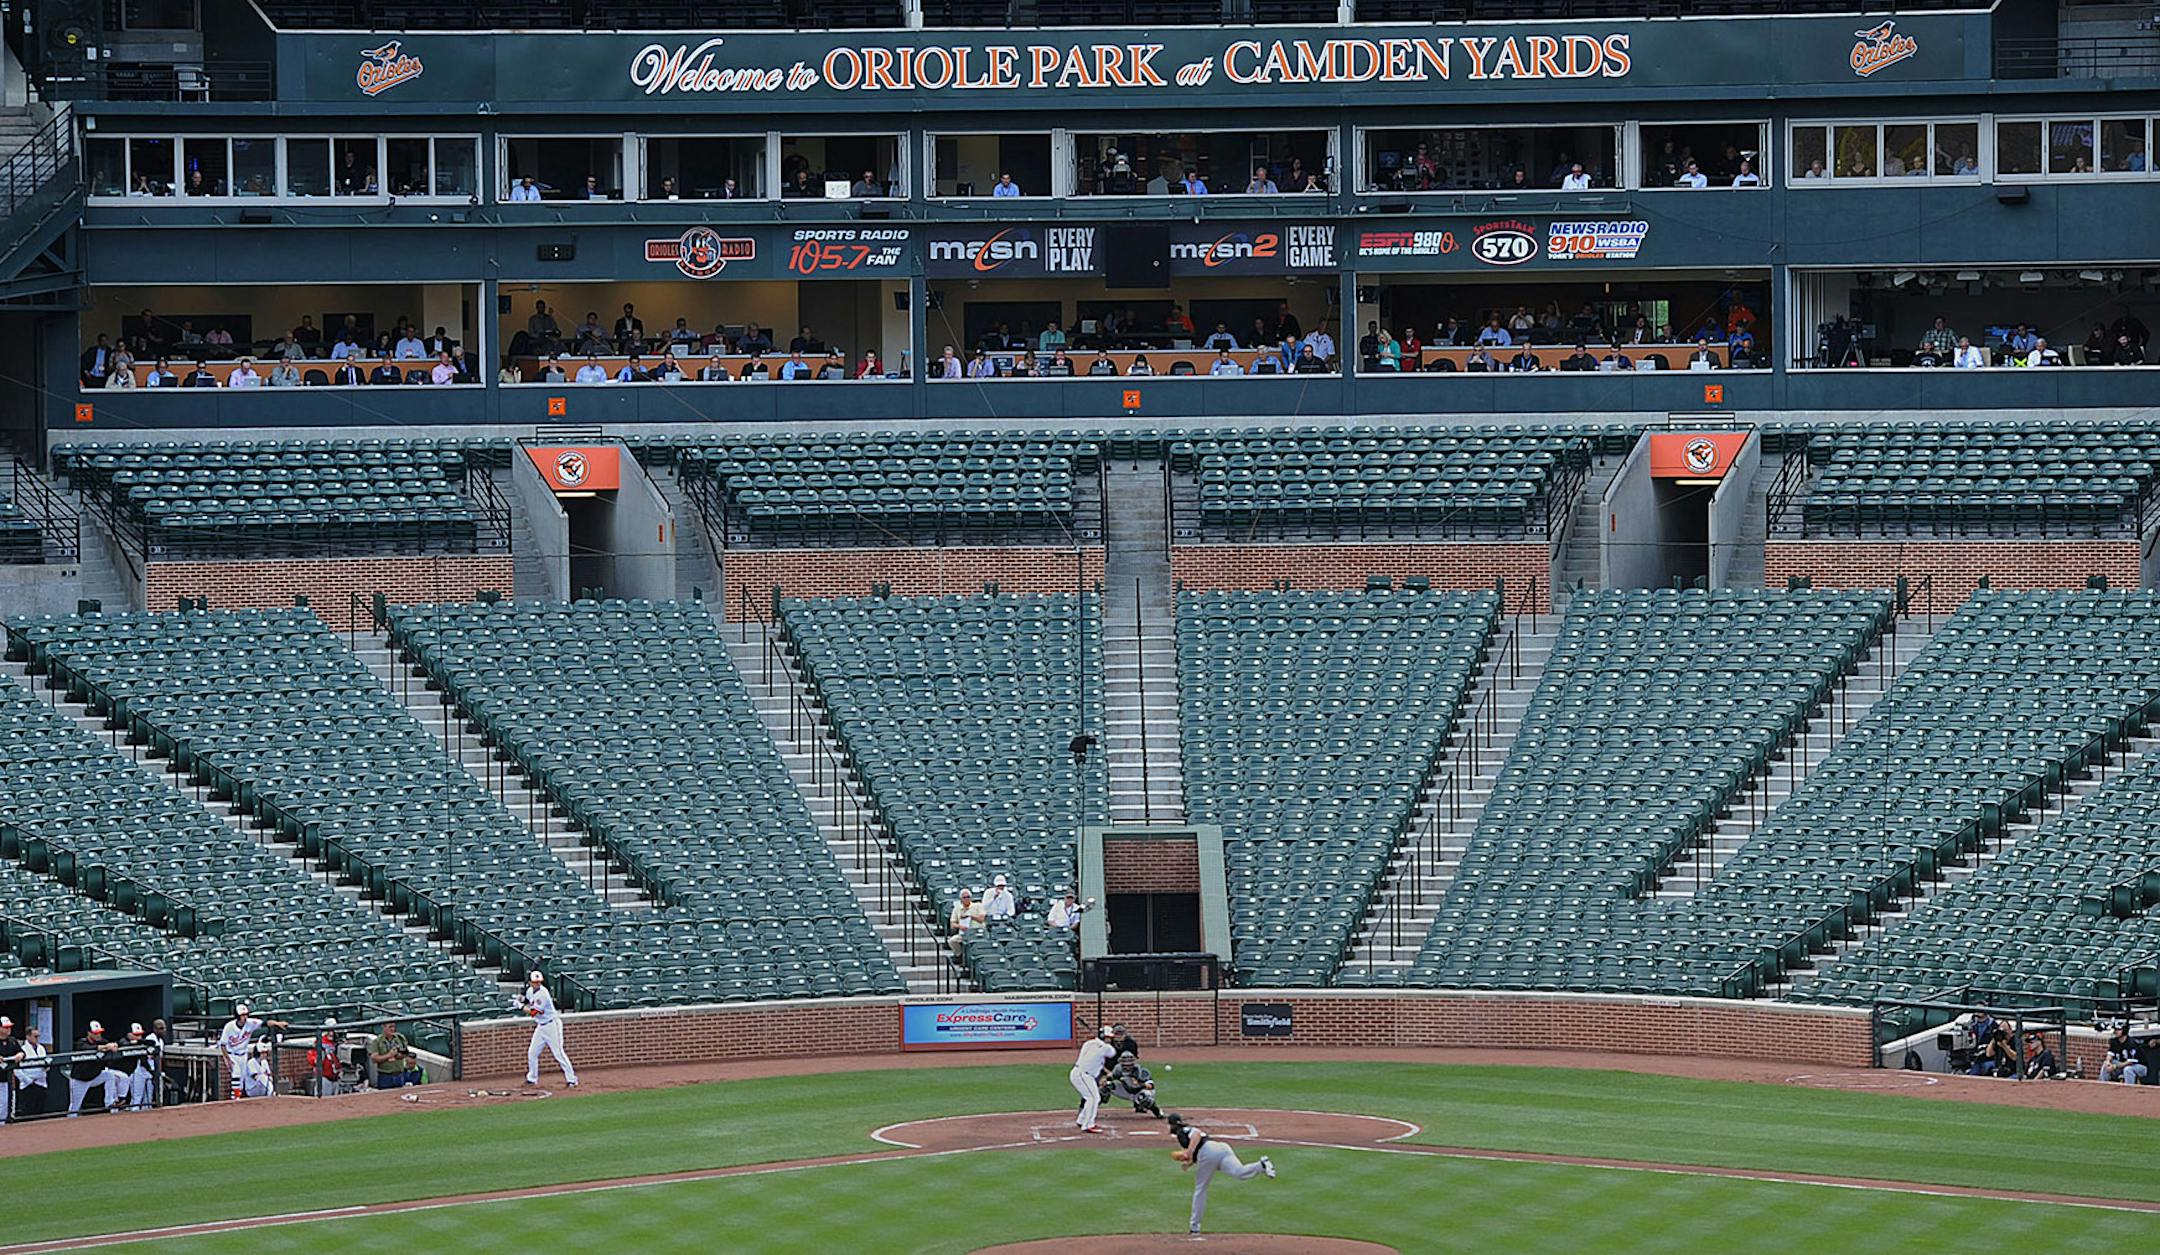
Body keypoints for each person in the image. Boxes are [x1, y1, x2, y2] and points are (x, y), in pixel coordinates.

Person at [1169, 1112, 1275, 1234]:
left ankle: (1194, 1226)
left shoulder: (1182, 1132)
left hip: (1208, 1152)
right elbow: (1197, 1149)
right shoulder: (1186, 1131)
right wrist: (1189, 1162)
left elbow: (1196, 1136)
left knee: (1200, 1188)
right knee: (1239, 1172)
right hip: (1221, 1148)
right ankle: (1261, 1165)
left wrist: (1188, 1152)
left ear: (1172, 1125)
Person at [518, 971, 578, 1089]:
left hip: (552, 1025)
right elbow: (528, 1000)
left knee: (558, 1054)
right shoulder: (530, 991)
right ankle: (532, 1079)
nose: (537, 984)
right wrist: (521, 998)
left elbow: (534, 1012)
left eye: (538, 982)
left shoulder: (543, 994)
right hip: (541, 1026)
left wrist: (519, 1006)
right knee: (532, 1053)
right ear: (530, 982)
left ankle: (572, 1079)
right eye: (535, 982)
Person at [219, 1004, 288, 1100]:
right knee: (236, 1074)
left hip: (243, 1054)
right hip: (232, 1054)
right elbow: (222, 1045)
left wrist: (277, 1023)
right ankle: (235, 1098)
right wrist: (227, 1059)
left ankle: (236, 1096)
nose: (245, 1017)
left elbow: (265, 1023)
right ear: (237, 1016)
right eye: (242, 1015)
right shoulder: (229, 1027)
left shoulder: (250, 1023)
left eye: (246, 1015)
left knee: (241, 1079)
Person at [68, 1021, 128, 1116]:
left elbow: (114, 1045)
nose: (98, 1035)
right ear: (89, 1033)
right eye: (95, 1033)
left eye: (99, 1032)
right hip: (80, 1079)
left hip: (95, 1076)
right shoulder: (81, 1042)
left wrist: (114, 1045)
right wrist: (104, 1047)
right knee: (74, 1108)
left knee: (109, 1075)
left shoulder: (103, 1041)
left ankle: (110, 1103)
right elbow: (85, 1047)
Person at [1070, 1026, 1117, 1133]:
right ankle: (1088, 1124)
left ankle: (1082, 1120)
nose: (1110, 1040)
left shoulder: (1089, 1043)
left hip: (1083, 1074)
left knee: (1091, 1097)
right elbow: (1112, 1053)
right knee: (1093, 1098)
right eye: (1108, 1038)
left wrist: (1101, 1043)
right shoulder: (1105, 1048)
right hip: (1083, 1075)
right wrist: (1103, 1045)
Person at [368, 1020, 423, 1088]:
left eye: (393, 1026)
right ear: (384, 1027)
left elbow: (406, 1053)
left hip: (399, 1074)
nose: (392, 1029)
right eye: (390, 1027)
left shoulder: (400, 1038)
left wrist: (398, 1056)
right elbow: (374, 1059)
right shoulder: (377, 1041)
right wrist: (389, 1055)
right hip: (385, 1075)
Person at [127, 1022, 164, 1111]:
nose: (138, 1036)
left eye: (140, 1035)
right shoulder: (149, 1038)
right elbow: (143, 1060)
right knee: (137, 1098)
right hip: (140, 1071)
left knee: (148, 1100)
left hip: (151, 1071)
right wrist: (152, 1071)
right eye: (136, 1035)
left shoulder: (159, 1041)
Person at [16, 1024, 50, 1118]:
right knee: (27, 1113)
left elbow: (46, 1063)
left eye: (38, 1036)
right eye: (35, 1036)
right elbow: (17, 1070)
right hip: (28, 1086)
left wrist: (46, 1067)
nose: (37, 1038)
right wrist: (28, 1081)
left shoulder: (41, 1048)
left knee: (39, 1112)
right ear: (28, 1036)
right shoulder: (22, 1049)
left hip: (41, 1083)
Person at [948, 888, 985, 956]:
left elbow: (981, 919)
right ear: (961, 899)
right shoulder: (957, 908)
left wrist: (971, 917)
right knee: (952, 941)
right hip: (964, 933)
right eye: (964, 897)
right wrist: (960, 926)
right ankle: (960, 955)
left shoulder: (978, 905)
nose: (966, 899)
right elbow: (952, 924)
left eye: (968, 897)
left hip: (977, 933)